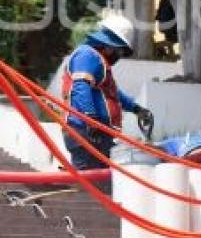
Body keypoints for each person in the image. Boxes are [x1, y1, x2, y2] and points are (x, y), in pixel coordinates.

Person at [61, 13, 154, 170]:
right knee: (91, 182)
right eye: (120, 51)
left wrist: (136, 109)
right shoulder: (87, 56)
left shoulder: (98, 61)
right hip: (85, 130)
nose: (120, 56)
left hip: (96, 131)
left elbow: (113, 94)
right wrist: (91, 119)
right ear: (110, 47)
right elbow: (81, 87)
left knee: (99, 178)